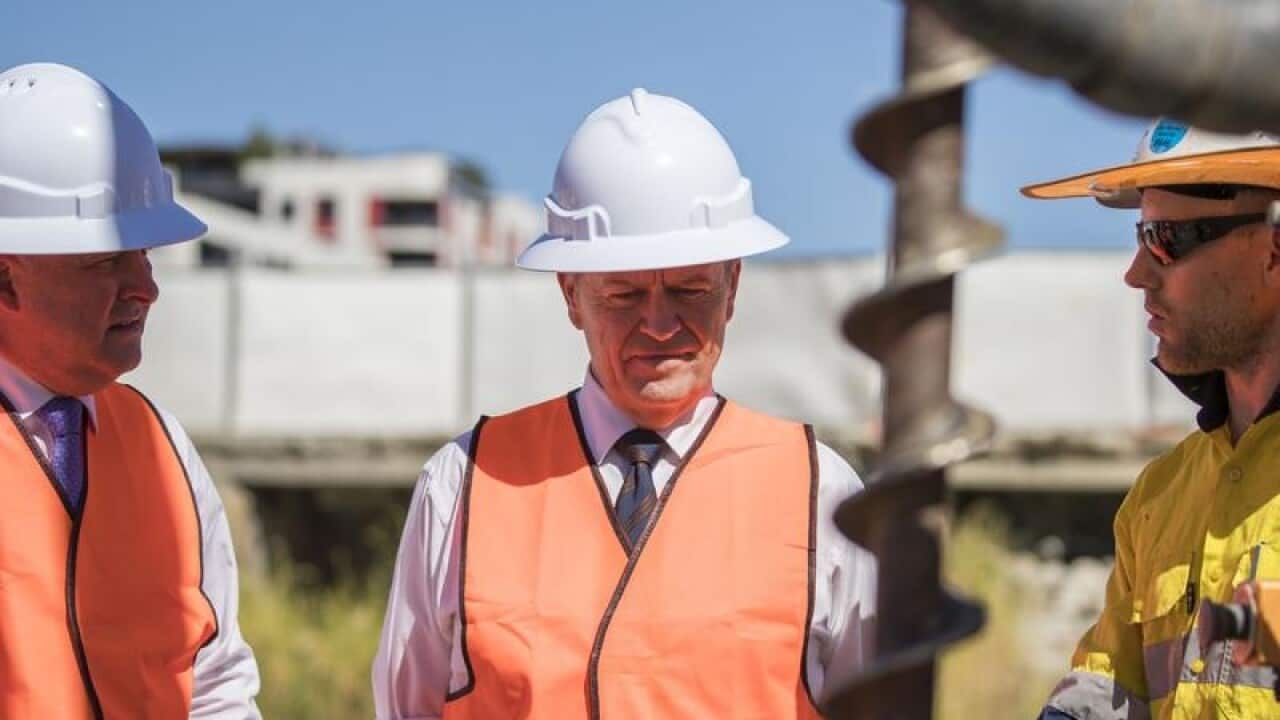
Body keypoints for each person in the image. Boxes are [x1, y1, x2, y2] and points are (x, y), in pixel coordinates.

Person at [373, 88, 875, 719]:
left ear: (731, 287)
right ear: (570, 293)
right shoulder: (465, 484)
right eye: (624, 296)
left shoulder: (822, 494)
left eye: (690, 289)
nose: (660, 325)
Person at [0, 63, 261, 718]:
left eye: (144, 255)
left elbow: (215, 681)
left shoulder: (162, 447)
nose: (146, 288)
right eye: (106, 259)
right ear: (5, 281)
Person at [1026, 118, 1280, 719]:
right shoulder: (1159, 498)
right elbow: (1107, 691)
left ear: (1273, 248)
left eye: (1166, 238)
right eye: (1140, 237)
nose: (1137, 273)